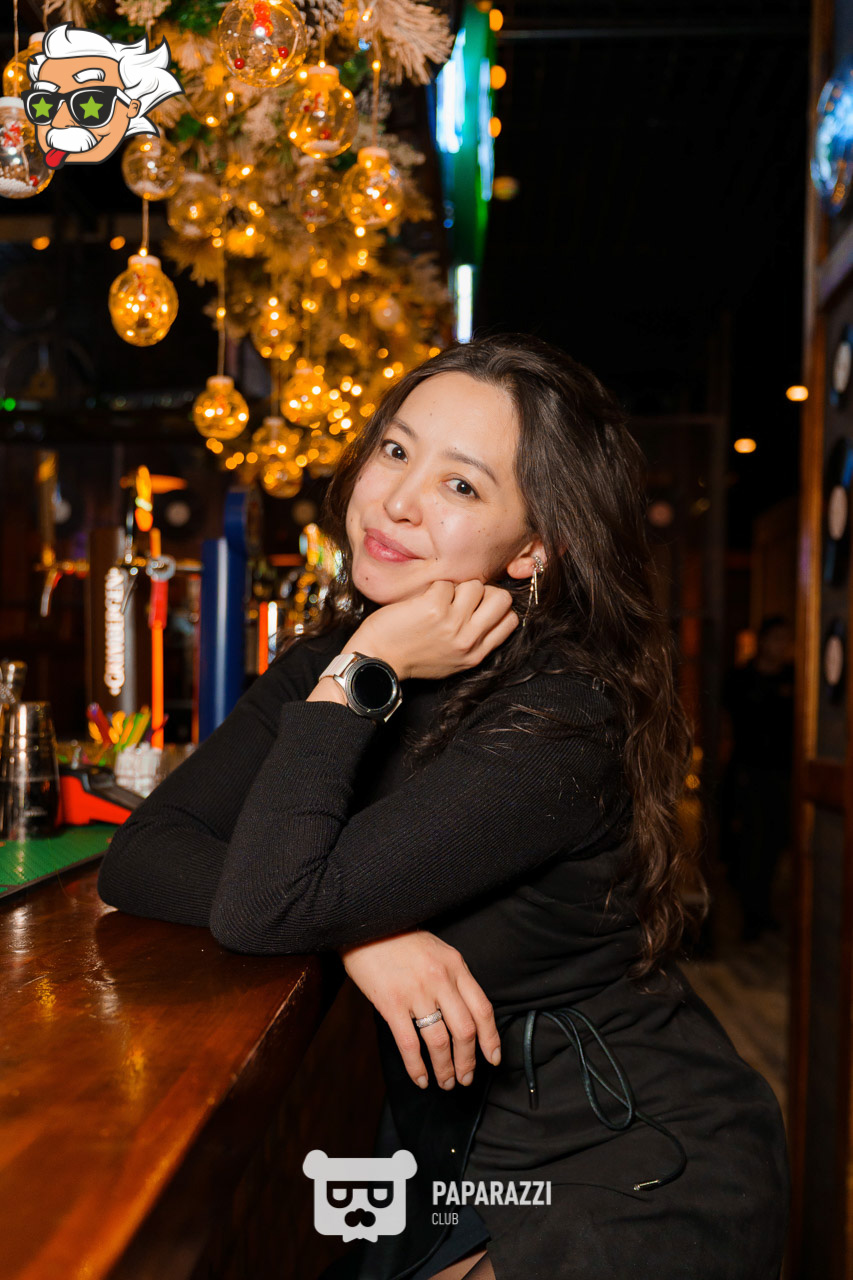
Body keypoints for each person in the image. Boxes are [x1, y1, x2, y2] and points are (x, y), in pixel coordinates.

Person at [97, 333, 790, 1280]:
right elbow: (140, 855)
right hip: (443, 1166)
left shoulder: (559, 712)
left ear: (533, 547)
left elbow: (268, 904)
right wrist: (362, 933)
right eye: (395, 449)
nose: (396, 499)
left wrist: (330, 897)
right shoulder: (334, 662)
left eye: (460, 484)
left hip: (622, 1164)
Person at [720, 616, 795, 942]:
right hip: (748, 771)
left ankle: (763, 910)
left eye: (786, 640)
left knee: (775, 843)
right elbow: (725, 723)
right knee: (750, 842)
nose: (781, 646)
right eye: (776, 638)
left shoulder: (793, 678)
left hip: (782, 773)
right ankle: (750, 914)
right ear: (762, 640)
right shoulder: (740, 678)